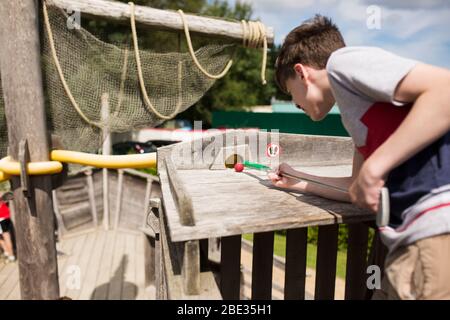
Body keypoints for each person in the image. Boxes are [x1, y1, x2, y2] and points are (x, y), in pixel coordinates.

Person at [270, 15, 450, 299]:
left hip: (436, 234)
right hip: (409, 242)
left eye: (291, 93)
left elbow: (446, 90)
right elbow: (356, 187)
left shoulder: (343, 63)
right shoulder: (355, 114)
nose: (295, 104)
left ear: (302, 73)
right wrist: (299, 180)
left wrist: (377, 165)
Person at [0, 193, 15, 263]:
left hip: (2, 219)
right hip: (6, 218)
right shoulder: (2, 194)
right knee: (2, 238)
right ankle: (7, 252)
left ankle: (11, 256)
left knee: (6, 237)